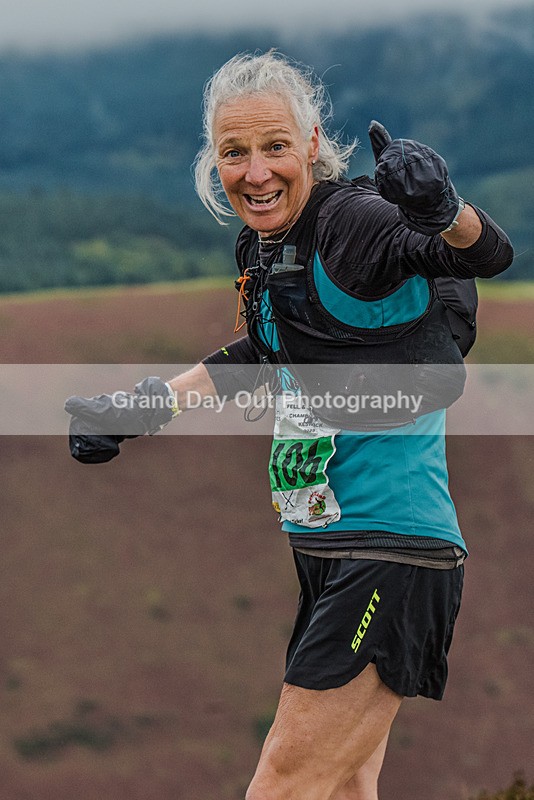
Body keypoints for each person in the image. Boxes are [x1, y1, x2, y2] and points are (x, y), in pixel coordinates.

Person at [65, 50, 514, 800]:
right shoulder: (266, 244)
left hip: (389, 548)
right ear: (213, 160)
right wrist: (142, 408)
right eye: (233, 152)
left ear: (311, 144)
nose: (255, 172)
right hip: (327, 548)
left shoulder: (352, 225)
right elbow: (263, 354)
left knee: (282, 785)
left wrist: (445, 210)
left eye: (274, 146)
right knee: (343, 789)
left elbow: (484, 254)